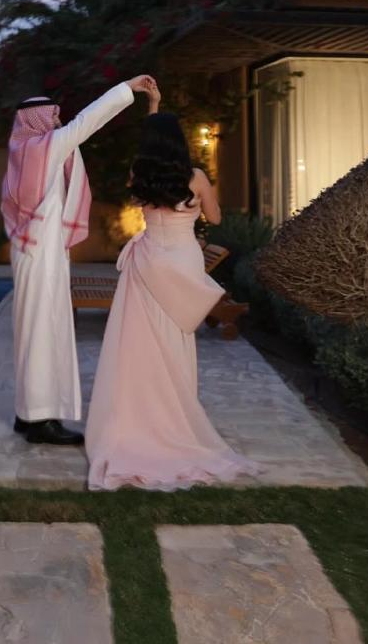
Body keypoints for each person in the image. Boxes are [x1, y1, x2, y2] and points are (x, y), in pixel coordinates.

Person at [85, 81, 260, 488]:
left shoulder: (140, 173)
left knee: (140, 344)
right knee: (174, 339)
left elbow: (151, 147)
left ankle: (137, 421)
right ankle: (174, 421)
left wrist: (154, 106)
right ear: (179, 142)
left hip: (148, 264)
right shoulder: (195, 177)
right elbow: (216, 219)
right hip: (181, 263)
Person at [1, 75, 157, 445]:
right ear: (37, 119)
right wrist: (128, 88)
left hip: (32, 250)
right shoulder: (45, 148)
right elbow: (88, 121)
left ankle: (26, 412)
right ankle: (41, 421)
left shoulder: (22, 152)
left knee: (33, 327)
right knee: (44, 328)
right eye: (51, 116)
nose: (57, 122)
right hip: (40, 252)